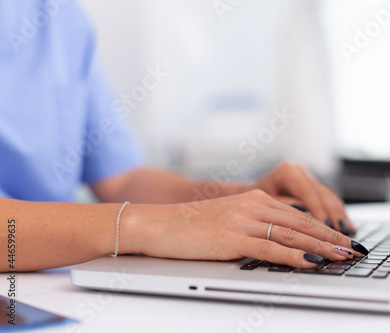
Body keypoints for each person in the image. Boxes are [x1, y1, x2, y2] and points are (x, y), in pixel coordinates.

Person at [0, 0, 366, 273]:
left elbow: (124, 179)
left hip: (53, 286)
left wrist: (243, 200)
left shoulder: (60, 16)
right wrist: (148, 226)